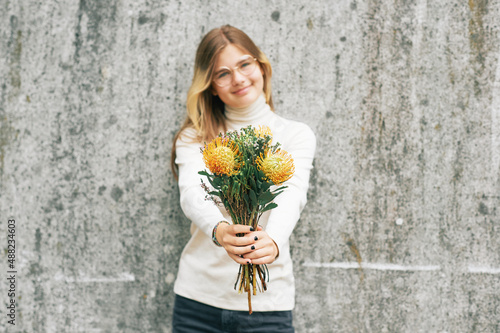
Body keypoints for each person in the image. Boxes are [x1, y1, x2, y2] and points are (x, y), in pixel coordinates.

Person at [170, 24, 316, 333]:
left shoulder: (295, 135)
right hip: (198, 302)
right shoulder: (195, 137)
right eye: (223, 73)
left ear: (261, 66)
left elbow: (293, 195)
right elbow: (193, 194)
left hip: (266, 303)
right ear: (210, 85)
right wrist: (220, 230)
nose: (238, 78)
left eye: (244, 64)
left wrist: (272, 242)